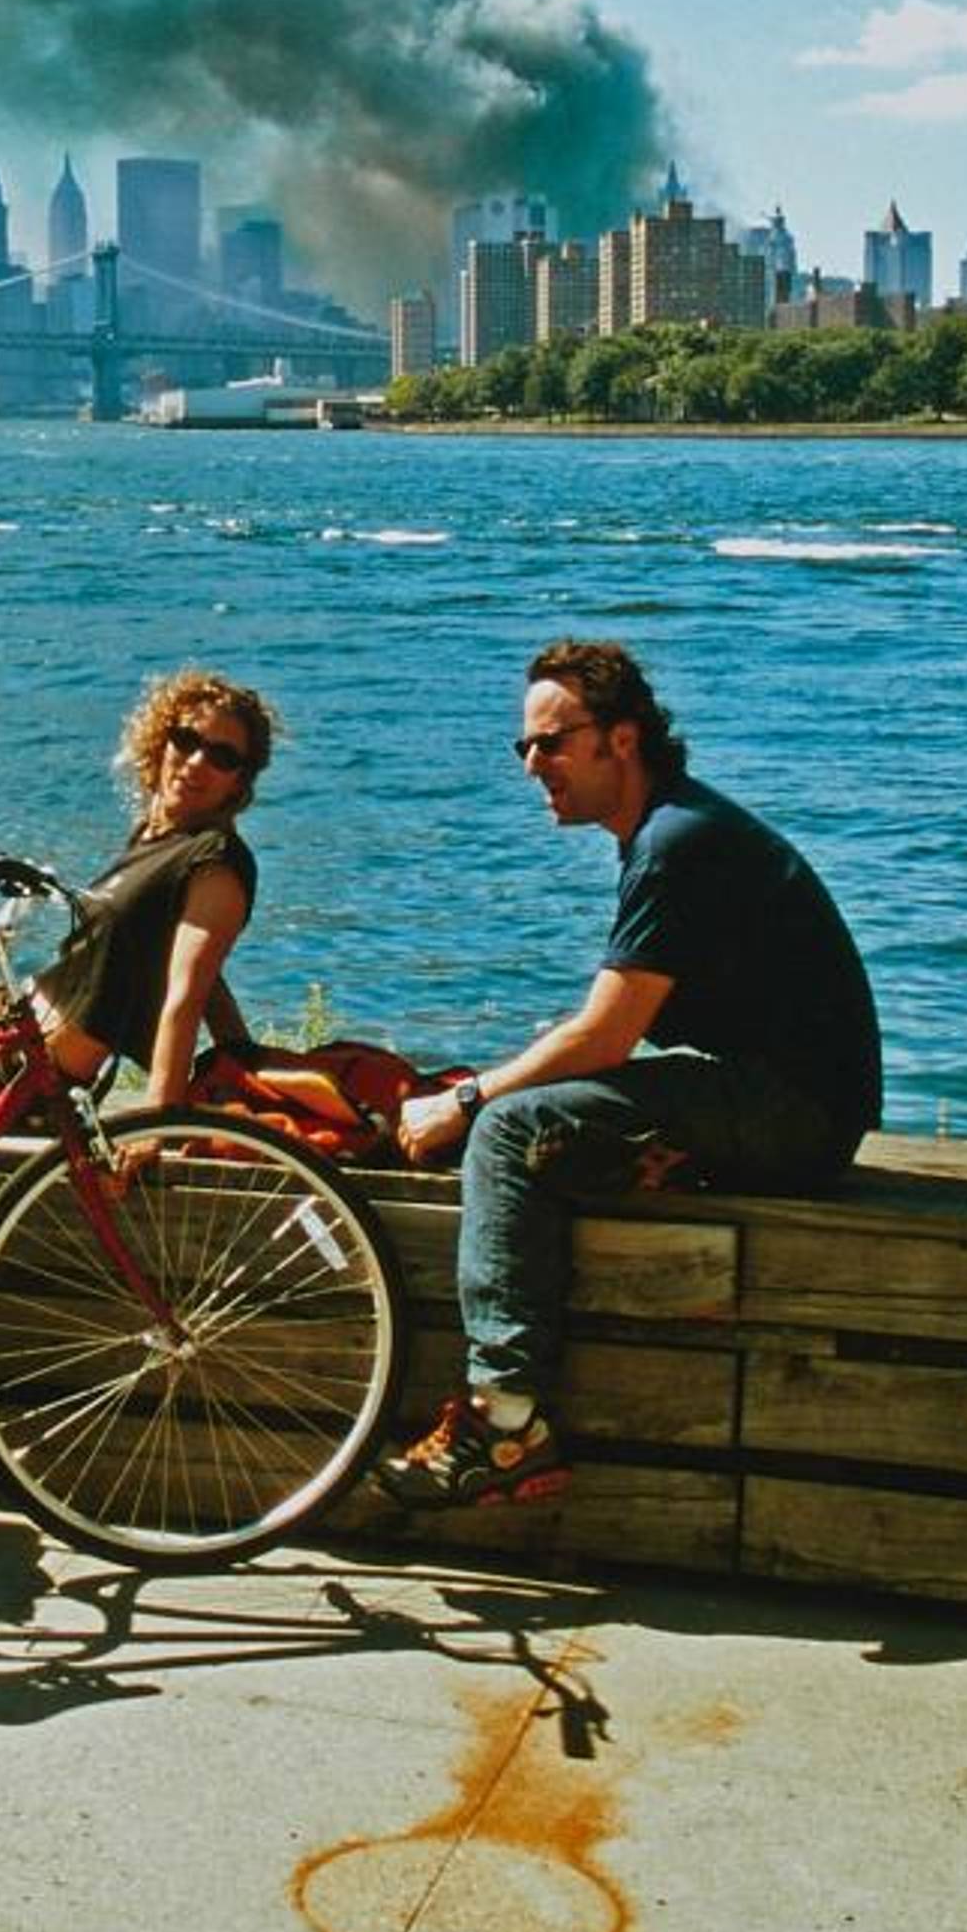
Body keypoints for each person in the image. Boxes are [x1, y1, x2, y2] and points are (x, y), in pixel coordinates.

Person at [376, 638, 881, 1509]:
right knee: (533, 1101)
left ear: (622, 738)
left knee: (504, 1130)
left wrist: (465, 1099)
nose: (534, 765)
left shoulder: (673, 844)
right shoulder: (671, 829)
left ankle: (505, 1428)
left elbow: (607, 1039)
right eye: (524, 747)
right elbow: (623, 1028)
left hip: (791, 1113)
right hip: (789, 1100)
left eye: (552, 742)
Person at [22, 668, 273, 1113]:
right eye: (187, 740)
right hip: (1, 1029)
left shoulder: (215, 861)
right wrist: (240, 1057)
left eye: (222, 756)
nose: (197, 761)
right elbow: (193, 966)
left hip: (22, 1078)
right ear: (162, 741)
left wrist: (159, 1122)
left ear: (239, 781)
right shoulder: (157, 839)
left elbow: (187, 994)